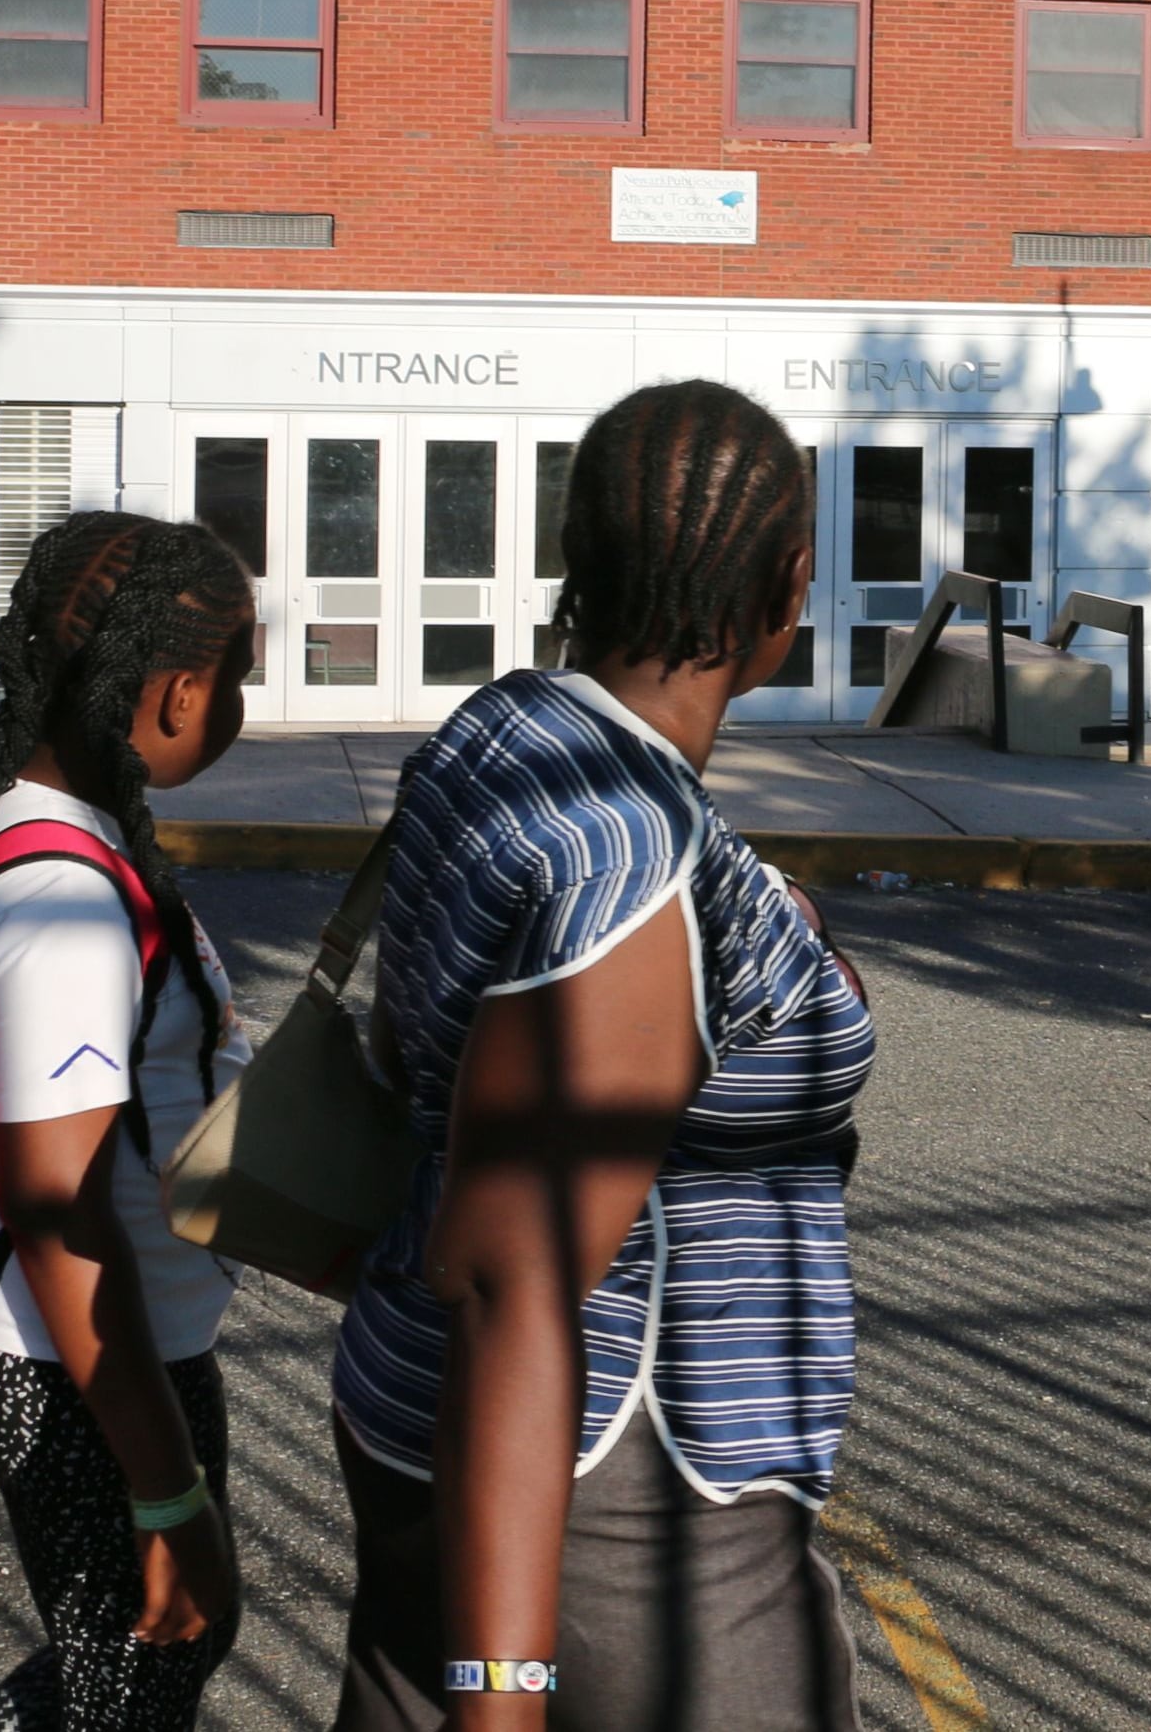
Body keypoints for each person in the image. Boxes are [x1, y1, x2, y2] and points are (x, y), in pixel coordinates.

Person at [333, 381, 879, 1732]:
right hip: (626, 1494)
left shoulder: (504, 733)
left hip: (414, 1407)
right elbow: (521, 1283)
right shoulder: (638, 867)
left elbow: (422, 1041)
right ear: (785, 587)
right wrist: (500, 1700)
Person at [0, 510, 262, 1732]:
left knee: (136, 1666)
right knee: (135, 1680)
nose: (240, 700)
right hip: (82, 1363)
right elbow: (60, 1213)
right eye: (239, 674)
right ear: (181, 692)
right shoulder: (59, 904)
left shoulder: (45, 836)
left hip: (92, 1347)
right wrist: (162, 1489)